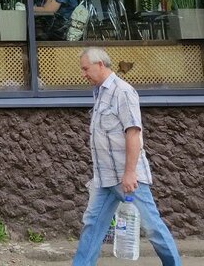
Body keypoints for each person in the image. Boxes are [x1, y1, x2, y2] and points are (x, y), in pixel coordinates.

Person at [72, 46, 181, 266]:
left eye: (85, 69)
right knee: (92, 225)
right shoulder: (100, 92)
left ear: (100, 65)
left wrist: (130, 173)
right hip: (104, 178)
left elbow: (133, 133)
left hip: (127, 178)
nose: (83, 74)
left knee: (152, 227)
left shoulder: (122, 92)